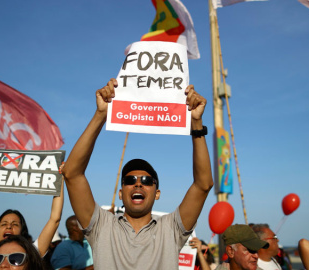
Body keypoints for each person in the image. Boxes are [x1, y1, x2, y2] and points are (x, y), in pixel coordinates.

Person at [62, 78, 214, 269]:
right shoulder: (101, 226)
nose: (138, 184)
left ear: (157, 193)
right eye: (130, 180)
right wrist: (101, 114)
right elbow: (72, 174)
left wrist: (196, 124)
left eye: (147, 181)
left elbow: (203, 185)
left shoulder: (171, 229)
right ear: (120, 192)